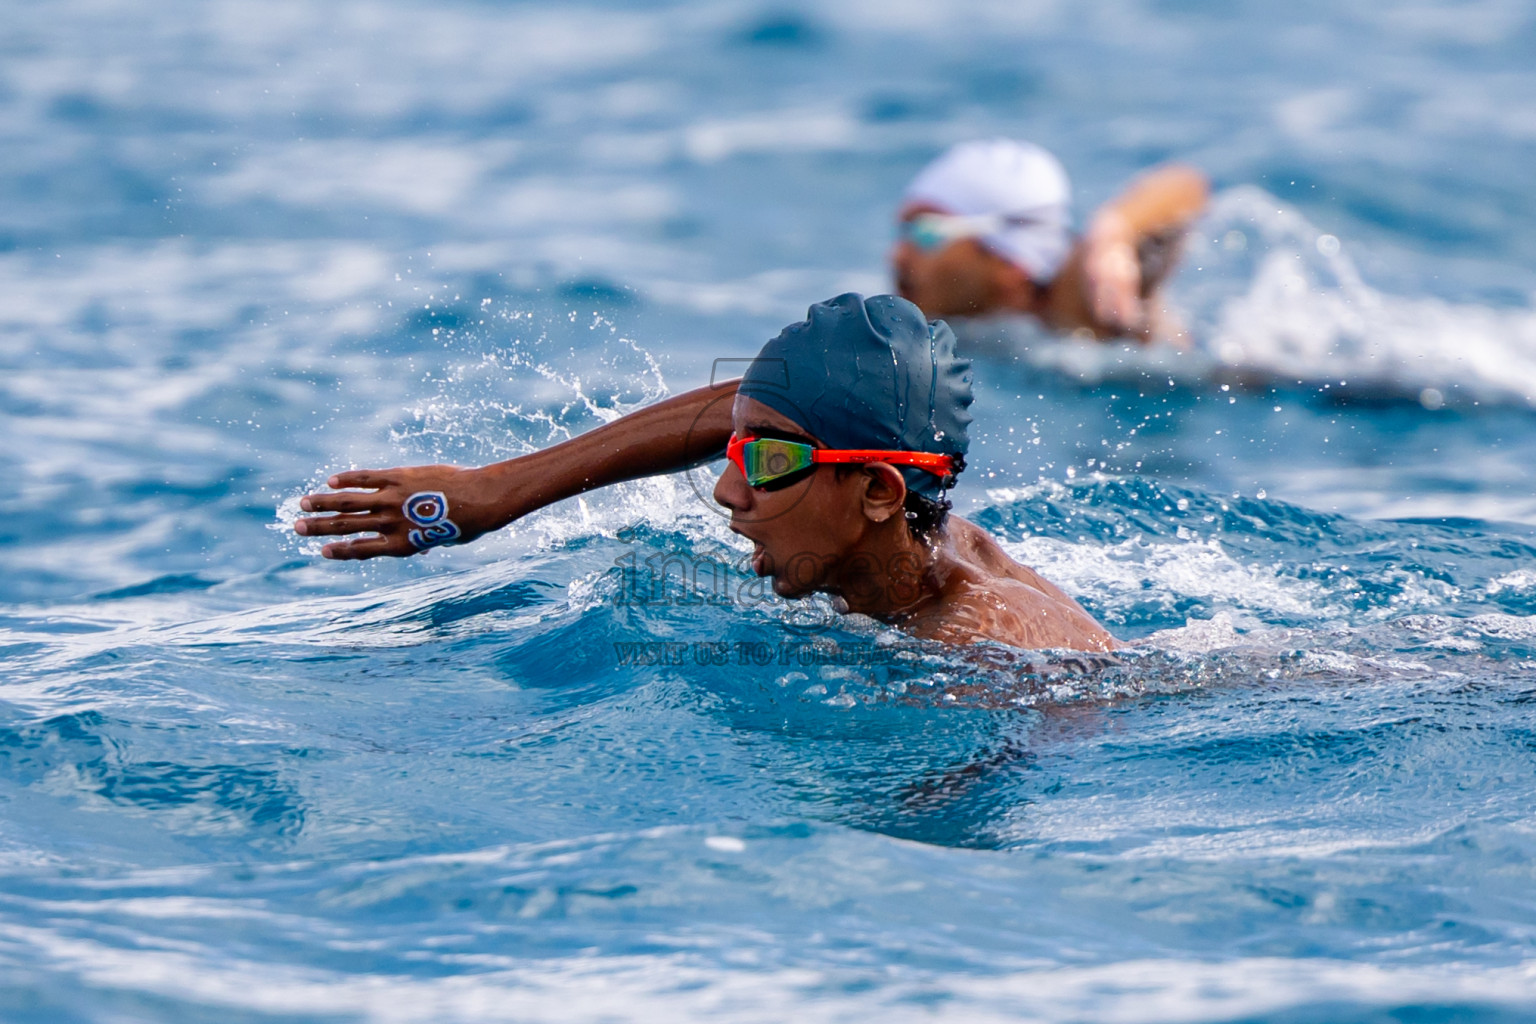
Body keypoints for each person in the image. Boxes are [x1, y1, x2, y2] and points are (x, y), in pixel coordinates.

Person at [294, 293, 1115, 651]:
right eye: (735, 447)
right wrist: (502, 491)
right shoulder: (897, 521)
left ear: (876, 491)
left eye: (766, 463)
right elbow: (746, 402)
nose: (727, 488)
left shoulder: (977, 651)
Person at [891, 138, 1210, 343]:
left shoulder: (1083, 300)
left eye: (925, 233)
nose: (898, 255)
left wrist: (1112, 235)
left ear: (1008, 262)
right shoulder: (972, 327)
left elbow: (1184, 185)